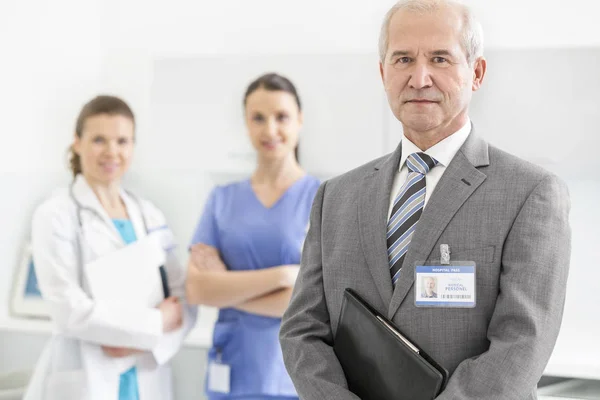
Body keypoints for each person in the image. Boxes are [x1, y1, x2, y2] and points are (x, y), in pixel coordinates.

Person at [279, 1, 571, 399]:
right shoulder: (336, 197)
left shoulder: (530, 194)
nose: (419, 78)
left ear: (476, 73)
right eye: (403, 59)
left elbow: (522, 344)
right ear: (383, 73)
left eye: (440, 58)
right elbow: (302, 331)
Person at [25, 95, 197, 400]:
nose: (112, 152)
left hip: (146, 377)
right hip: (87, 378)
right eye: (99, 140)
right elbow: (68, 310)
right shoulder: (55, 214)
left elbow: (182, 300)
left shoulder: (149, 214)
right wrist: (155, 323)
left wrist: (136, 341)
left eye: (122, 141)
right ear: (77, 143)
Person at [186, 73, 320, 400]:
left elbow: (312, 303)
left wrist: (227, 288)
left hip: (294, 376)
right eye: (258, 118)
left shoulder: (322, 199)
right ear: (246, 124)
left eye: (282, 117)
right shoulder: (222, 200)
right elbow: (197, 289)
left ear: (299, 120)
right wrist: (285, 275)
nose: (269, 129)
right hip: (232, 369)